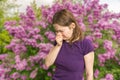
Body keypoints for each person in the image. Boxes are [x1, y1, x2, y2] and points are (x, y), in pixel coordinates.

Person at [45, 9, 94, 80]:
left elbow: (89, 74)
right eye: (56, 31)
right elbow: (47, 63)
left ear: (72, 26)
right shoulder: (58, 42)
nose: (58, 34)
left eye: (61, 31)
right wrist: (58, 46)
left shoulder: (85, 44)